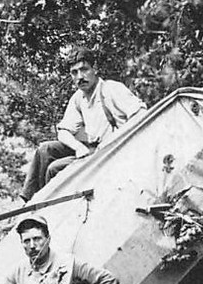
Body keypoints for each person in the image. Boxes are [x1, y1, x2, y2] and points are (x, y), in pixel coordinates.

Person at [20, 49, 147, 200]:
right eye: (74, 72)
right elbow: (63, 131)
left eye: (84, 70)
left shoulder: (112, 89)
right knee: (45, 150)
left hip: (114, 153)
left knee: (55, 169)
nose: (80, 77)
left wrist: (115, 140)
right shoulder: (79, 98)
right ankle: (29, 204)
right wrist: (79, 147)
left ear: (95, 69)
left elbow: (142, 115)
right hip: (92, 150)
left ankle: (50, 210)